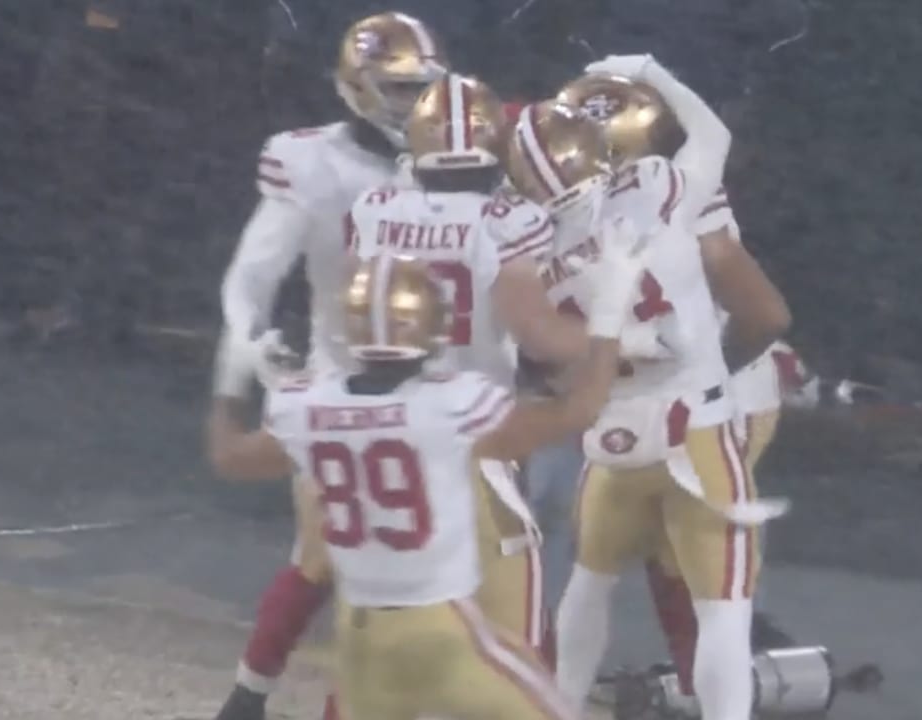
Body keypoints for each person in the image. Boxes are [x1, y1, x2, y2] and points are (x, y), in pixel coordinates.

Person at [206, 240, 652, 719]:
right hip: (437, 628)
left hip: (360, 634)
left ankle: (249, 691)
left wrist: (231, 376)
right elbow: (579, 411)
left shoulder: (310, 407)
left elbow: (230, 456)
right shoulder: (448, 405)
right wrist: (607, 319)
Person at [504, 101, 789, 720]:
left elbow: (539, 361)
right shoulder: (661, 188)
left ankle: (560, 707)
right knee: (723, 608)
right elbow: (767, 317)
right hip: (701, 422)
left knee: (589, 583)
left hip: (613, 438)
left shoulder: (525, 249)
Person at [210, 12, 447, 720]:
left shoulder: (461, 158)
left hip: (436, 394)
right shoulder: (312, 161)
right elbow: (253, 275)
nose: (411, 105)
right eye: (396, 88)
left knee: (344, 569)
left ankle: (248, 699)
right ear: (354, 86)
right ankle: (254, 698)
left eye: (420, 88)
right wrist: (251, 346)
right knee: (356, 575)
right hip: (345, 386)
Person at [345, 72, 598, 652]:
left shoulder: (373, 209)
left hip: (387, 432)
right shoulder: (511, 223)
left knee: (388, 622)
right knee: (519, 627)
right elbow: (538, 337)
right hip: (475, 441)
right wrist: (609, 338)